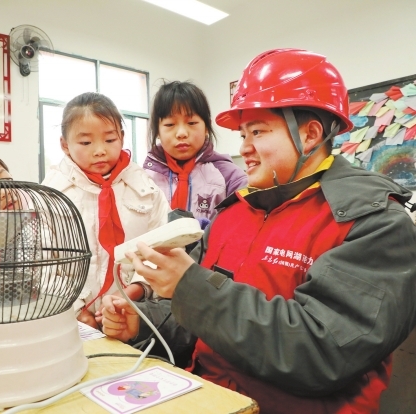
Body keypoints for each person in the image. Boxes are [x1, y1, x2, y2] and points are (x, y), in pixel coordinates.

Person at [101, 48, 416, 413]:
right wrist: (141, 325)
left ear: (310, 134)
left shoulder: (374, 224)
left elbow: (323, 351)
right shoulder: (235, 213)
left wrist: (191, 287)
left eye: (258, 132)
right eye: (243, 133)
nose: (244, 148)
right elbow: (200, 326)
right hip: (207, 398)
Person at [42, 92, 170, 328]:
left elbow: (162, 248)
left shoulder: (146, 190)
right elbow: (39, 262)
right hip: (67, 318)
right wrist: (77, 310)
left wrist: (133, 291)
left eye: (110, 140)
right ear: (64, 145)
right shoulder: (49, 195)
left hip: (132, 315)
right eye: (86, 143)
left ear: (122, 137)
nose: (99, 150)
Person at [143, 80, 247, 226]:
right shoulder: (143, 178)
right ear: (157, 131)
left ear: (206, 127)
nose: (181, 133)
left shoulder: (230, 177)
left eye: (191, 123)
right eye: (170, 125)